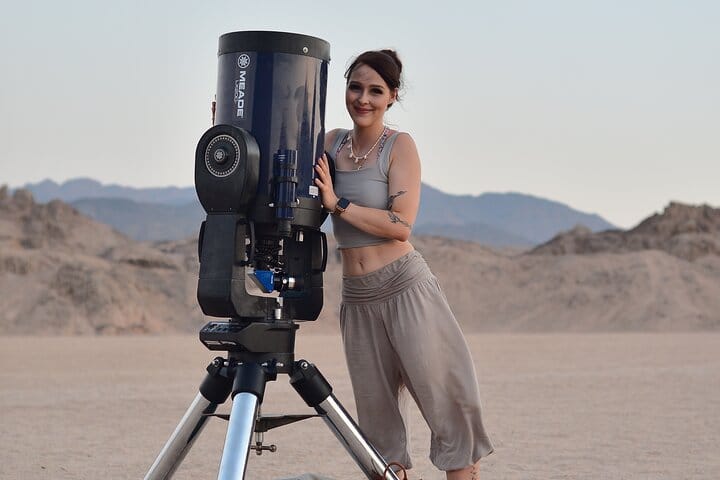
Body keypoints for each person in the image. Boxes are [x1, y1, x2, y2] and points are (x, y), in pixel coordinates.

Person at [314, 49, 493, 480]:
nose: (363, 99)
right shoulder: (329, 143)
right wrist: (228, 125)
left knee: (447, 411)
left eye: (376, 91)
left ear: (392, 96)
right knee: (377, 436)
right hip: (357, 299)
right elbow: (275, 161)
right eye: (355, 87)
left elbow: (400, 225)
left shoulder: (399, 147)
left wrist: (338, 204)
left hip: (405, 289)